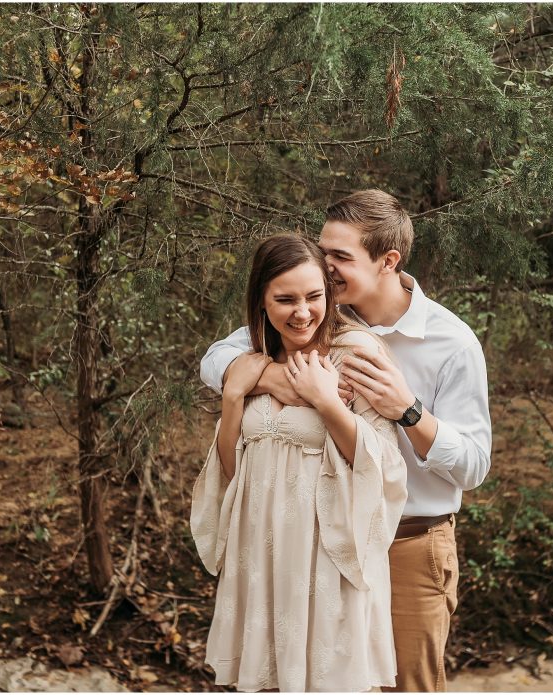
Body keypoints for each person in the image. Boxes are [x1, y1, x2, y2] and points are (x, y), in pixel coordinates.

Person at [201, 190, 492, 692]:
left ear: (388, 261)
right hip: (315, 542)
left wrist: (408, 410)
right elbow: (218, 359)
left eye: (340, 257)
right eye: (323, 251)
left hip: (408, 540)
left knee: (410, 686)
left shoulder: (451, 342)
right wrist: (272, 377)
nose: (325, 267)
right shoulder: (319, 312)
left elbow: (473, 467)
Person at [190, 234, 408, 692]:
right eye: (285, 299)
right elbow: (232, 472)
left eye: (313, 297)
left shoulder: (356, 354)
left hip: (327, 554)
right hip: (263, 555)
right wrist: (233, 398)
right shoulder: (253, 360)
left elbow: (383, 466)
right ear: (262, 302)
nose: (303, 312)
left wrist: (327, 404)